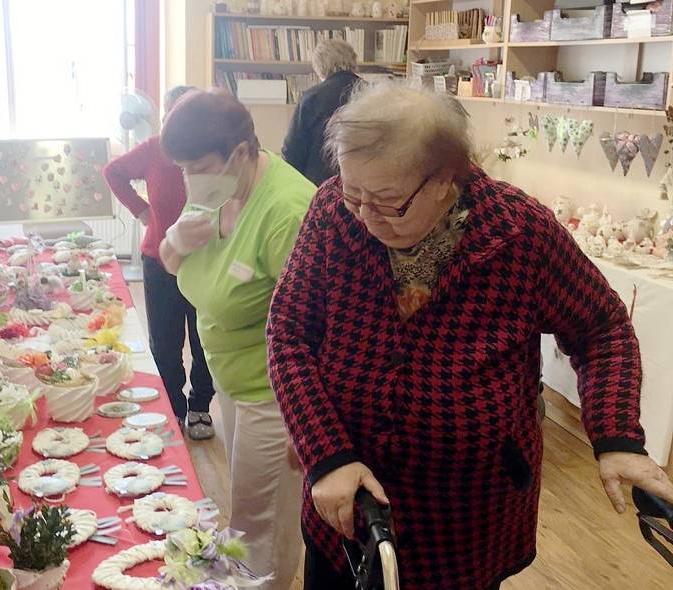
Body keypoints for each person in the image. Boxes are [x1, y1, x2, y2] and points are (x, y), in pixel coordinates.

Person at [266, 83, 673, 590]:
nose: (366, 217)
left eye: (389, 202)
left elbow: (602, 329)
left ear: (445, 179)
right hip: (345, 507)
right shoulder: (330, 212)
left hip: (468, 521)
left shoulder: (520, 232)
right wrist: (325, 453)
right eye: (354, 194)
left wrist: (617, 436)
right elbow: (288, 333)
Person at [159, 89, 314, 590]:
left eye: (198, 166)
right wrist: (173, 243)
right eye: (183, 168)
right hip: (231, 373)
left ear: (242, 151)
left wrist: (306, 426)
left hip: (275, 393)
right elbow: (172, 262)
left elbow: (318, 327)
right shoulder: (213, 186)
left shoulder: (288, 213)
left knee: (262, 525)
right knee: (245, 510)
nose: (190, 179)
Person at [102, 85, 216, 440]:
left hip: (205, 262)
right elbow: (113, 172)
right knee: (165, 344)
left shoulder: (214, 154)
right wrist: (141, 210)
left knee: (203, 342)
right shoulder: (153, 149)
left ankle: (199, 406)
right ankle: (174, 409)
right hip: (158, 261)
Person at [282, 38, 362, 186]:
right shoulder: (371, 93)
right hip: (363, 186)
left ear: (320, 67)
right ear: (353, 60)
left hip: (318, 187)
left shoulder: (312, 97)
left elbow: (292, 151)